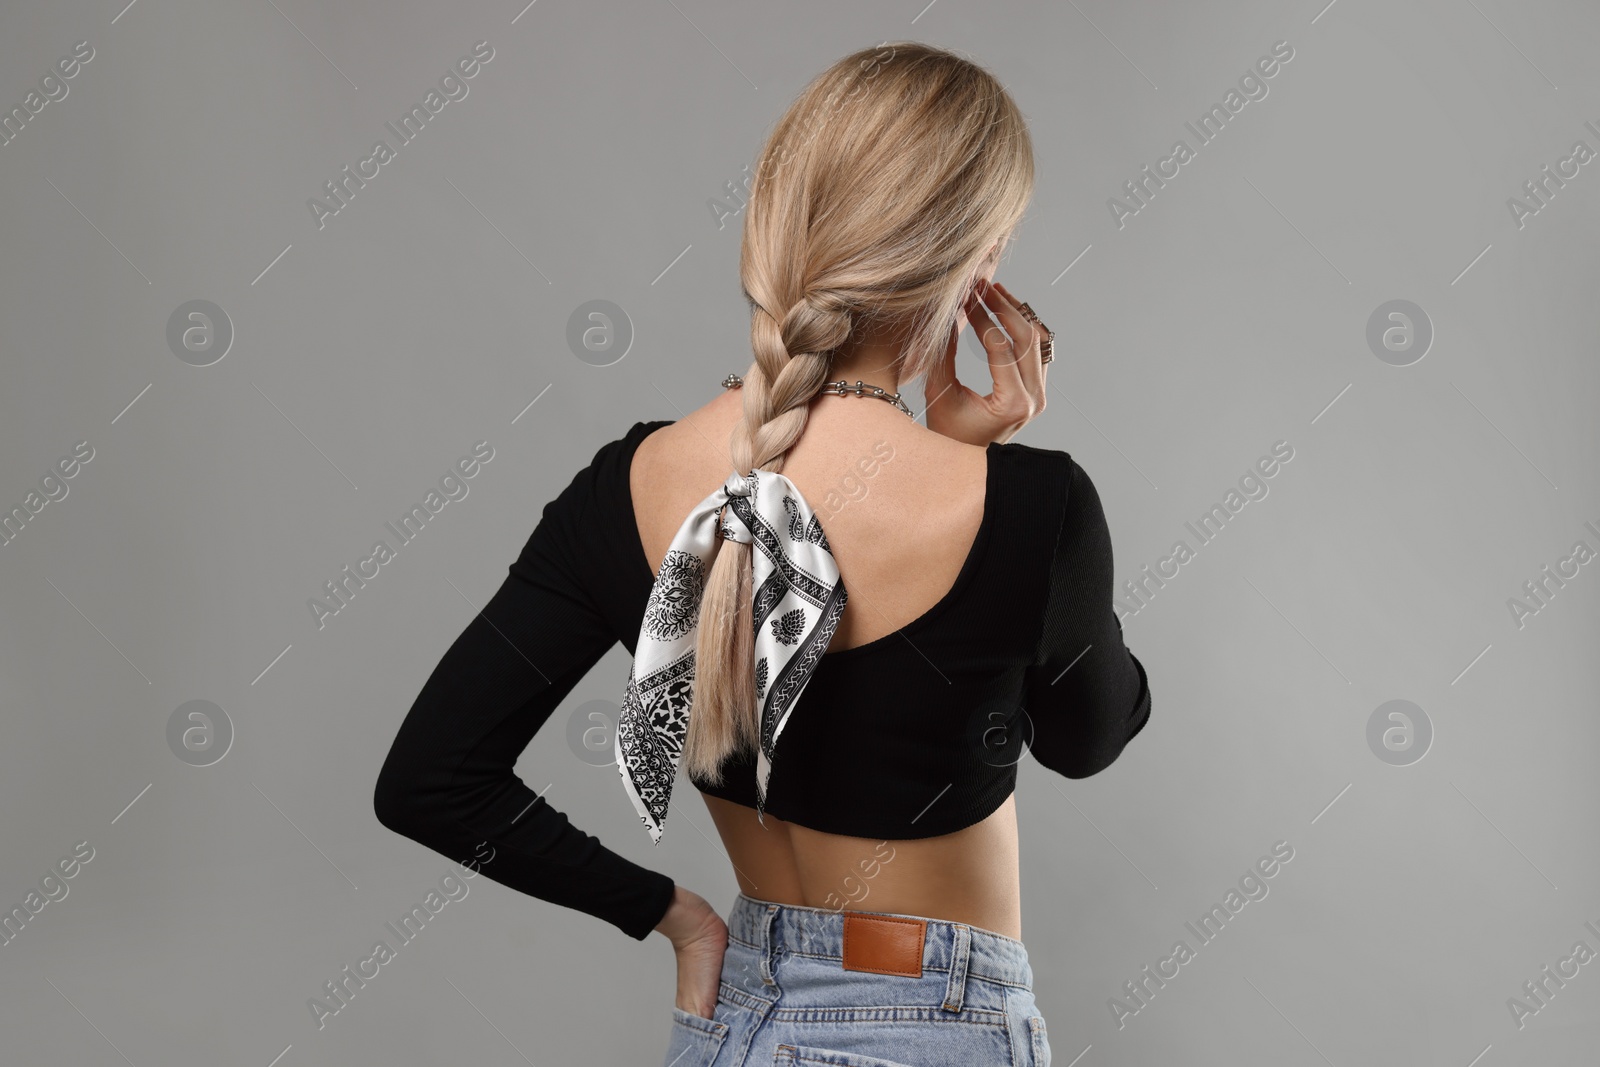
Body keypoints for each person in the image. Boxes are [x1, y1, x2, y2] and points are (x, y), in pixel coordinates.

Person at [374, 41, 1150, 1067]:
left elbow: (430, 778)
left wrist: (679, 916)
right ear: (974, 267)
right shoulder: (1032, 506)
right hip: (932, 1025)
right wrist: (981, 474)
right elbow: (1089, 735)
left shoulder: (630, 481)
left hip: (735, 1019)